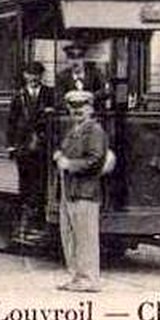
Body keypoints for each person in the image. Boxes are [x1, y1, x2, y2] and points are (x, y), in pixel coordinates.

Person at [52, 88, 109, 292]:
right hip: (71, 192)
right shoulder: (74, 131)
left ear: (90, 108)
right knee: (71, 237)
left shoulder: (94, 130)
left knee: (85, 238)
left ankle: (89, 279)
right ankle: (77, 277)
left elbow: (96, 160)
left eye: (82, 106)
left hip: (85, 192)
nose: (77, 110)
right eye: (73, 107)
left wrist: (69, 164)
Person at [7, 61, 56, 236]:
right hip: (24, 145)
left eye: (37, 74)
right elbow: (12, 122)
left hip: (43, 145)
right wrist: (11, 145)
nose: (34, 77)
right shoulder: (18, 96)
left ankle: (38, 221)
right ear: (25, 76)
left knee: (41, 183)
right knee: (26, 183)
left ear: (41, 76)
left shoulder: (49, 93)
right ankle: (26, 222)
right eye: (30, 74)